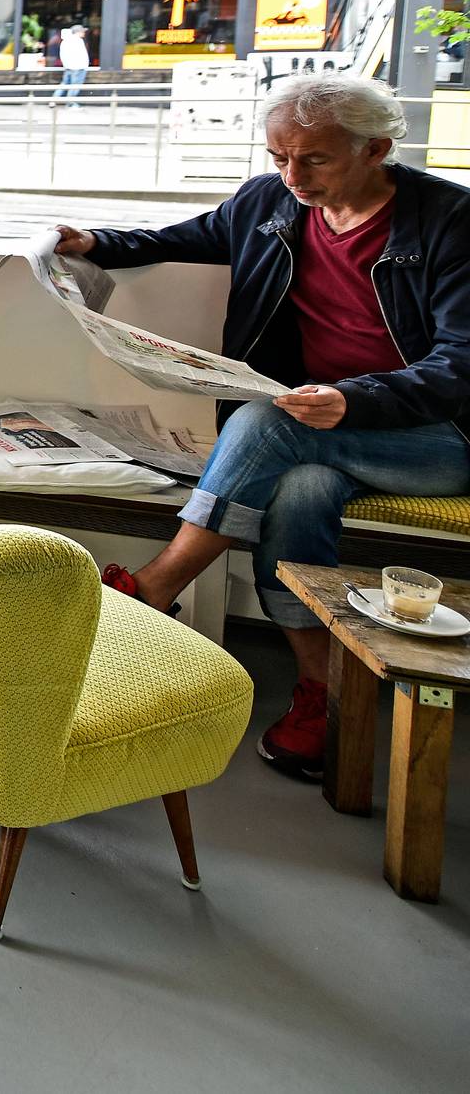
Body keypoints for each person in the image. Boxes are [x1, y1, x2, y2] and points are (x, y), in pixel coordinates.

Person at [57, 73, 470, 780]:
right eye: (279, 156)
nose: (290, 175)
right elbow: (186, 235)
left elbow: (461, 364)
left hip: (435, 439)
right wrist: (94, 240)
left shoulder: (449, 220)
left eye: (313, 159)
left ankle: (155, 586)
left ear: (377, 149)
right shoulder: (269, 202)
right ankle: (321, 688)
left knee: (265, 423)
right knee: (300, 490)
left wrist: (356, 401)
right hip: (318, 432)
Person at [56, 24, 91, 102]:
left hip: (68, 66)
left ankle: (54, 100)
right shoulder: (77, 41)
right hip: (78, 67)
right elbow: (81, 55)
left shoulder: (66, 41)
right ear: (78, 32)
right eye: (82, 31)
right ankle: (71, 103)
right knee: (75, 86)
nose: (84, 33)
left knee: (64, 84)